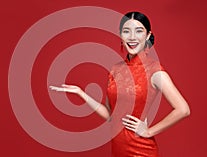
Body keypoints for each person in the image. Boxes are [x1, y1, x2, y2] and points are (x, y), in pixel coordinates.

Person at [49, 11, 190, 157]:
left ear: (148, 36)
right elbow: (111, 116)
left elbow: (183, 109)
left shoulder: (154, 71)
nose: (132, 37)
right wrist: (81, 94)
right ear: (120, 36)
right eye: (126, 31)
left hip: (141, 151)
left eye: (139, 31)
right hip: (118, 150)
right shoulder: (116, 69)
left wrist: (149, 131)